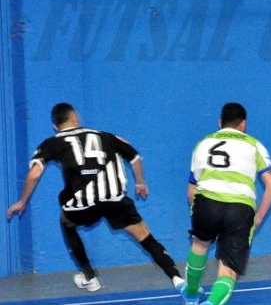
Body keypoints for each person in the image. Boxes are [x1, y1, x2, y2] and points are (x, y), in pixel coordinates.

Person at [6, 103, 185, 291]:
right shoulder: (105, 136)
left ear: (55, 126)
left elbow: (34, 174)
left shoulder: (52, 143)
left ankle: (89, 276)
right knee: (145, 237)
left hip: (84, 205)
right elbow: (134, 158)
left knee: (66, 222)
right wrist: (140, 183)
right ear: (75, 118)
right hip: (115, 200)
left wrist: (22, 201)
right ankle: (177, 278)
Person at [179, 102, 271, 305]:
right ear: (243, 124)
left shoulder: (203, 143)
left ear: (219, 123)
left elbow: (191, 190)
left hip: (207, 202)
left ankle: (191, 296)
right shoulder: (254, 144)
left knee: (200, 245)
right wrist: (258, 218)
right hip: (239, 208)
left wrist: (198, 211)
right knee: (228, 270)